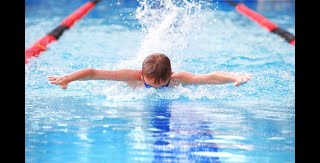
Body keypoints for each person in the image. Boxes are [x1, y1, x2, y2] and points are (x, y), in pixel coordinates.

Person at [48, 53, 252, 89]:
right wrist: (68, 78)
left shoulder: (177, 78)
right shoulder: (131, 76)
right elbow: (93, 72)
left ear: (170, 76)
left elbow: (209, 77)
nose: (154, 88)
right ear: (141, 75)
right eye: (149, 84)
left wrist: (235, 76)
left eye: (161, 85)